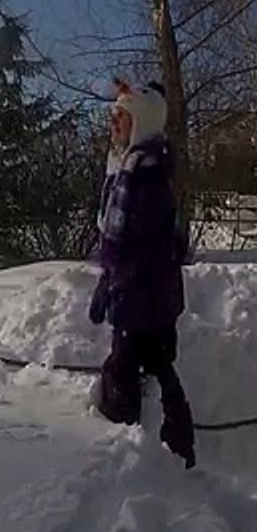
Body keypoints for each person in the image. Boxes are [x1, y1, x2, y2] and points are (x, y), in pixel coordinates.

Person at [89, 78, 195, 468]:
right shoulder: (134, 166)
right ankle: (172, 454)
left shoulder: (145, 175)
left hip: (145, 300)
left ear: (141, 124)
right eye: (113, 115)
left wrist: (119, 283)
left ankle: (126, 457)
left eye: (121, 116)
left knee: (127, 368)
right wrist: (111, 278)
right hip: (145, 298)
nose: (113, 122)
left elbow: (151, 246)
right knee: (155, 366)